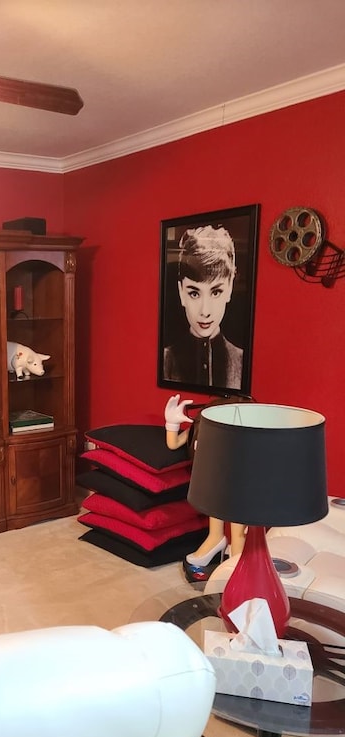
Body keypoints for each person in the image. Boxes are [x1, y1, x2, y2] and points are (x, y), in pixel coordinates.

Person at [164, 393, 245, 582]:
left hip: (237, 486)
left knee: (238, 526)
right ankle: (215, 539)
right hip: (213, 483)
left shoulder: (239, 440)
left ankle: (237, 558)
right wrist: (171, 422)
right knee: (215, 511)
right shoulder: (203, 428)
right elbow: (173, 443)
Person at [163, 225, 243, 390]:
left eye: (216, 292)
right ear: (181, 292)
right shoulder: (166, 360)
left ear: (229, 288)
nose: (205, 311)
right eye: (194, 293)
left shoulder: (242, 360)